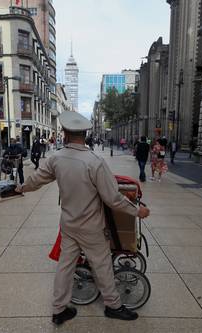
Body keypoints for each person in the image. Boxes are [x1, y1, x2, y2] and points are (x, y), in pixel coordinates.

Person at [16, 111, 150, 325]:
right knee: (103, 264)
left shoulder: (56, 158)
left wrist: (21, 187)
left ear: (65, 133)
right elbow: (112, 197)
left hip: (68, 225)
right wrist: (136, 210)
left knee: (65, 266)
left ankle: (59, 310)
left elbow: (36, 181)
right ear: (85, 133)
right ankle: (113, 305)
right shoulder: (94, 162)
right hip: (91, 228)